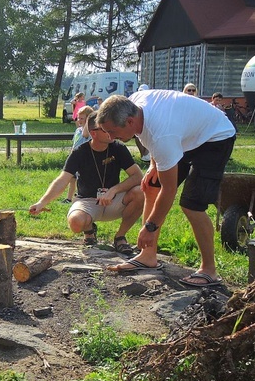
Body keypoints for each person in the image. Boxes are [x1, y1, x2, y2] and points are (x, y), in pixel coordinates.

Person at [96, 90, 236, 287]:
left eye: (112, 132)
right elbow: (155, 140)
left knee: (192, 204)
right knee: (151, 186)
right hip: (185, 133)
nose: (111, 138)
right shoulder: (133, 104)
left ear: (129, 121)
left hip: (215, 137)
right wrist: (154, 165)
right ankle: (148, 256)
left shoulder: (162, 135)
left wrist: (150, 227)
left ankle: (209, 270)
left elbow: (169, 190)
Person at [29, 112, 144, 254]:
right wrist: (41, 203)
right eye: (105, 129)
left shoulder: (118, 148)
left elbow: (138, 176)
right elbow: (62, 180)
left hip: (114, 200)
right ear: (94, 133)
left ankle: (120, 237)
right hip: (87, 201)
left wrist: (114, 190)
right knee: (75, 222)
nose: (111, 132)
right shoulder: (79, 152)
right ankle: (89, 231)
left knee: (140, 192)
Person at [63, 105, 94, 203]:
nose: (79, 120)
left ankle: (81, 196)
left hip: (84, 159)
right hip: (75, 158)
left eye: (82, 118)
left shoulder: (89, 131)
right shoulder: (78, 130)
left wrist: (90, 120)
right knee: (72, 178)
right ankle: (69, 198)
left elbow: (85, 135)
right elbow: (75, 143)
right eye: (78, 118)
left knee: (81, 179)